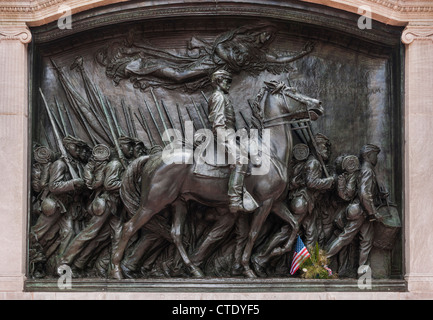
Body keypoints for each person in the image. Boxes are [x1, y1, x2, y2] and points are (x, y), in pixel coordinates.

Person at [57, 137, 136, 275]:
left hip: (114, 206)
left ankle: (108, 268)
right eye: (127, 147)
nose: (131, 150)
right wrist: (129, 183)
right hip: (105, 204)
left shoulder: (115, 164)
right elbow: (110, 184)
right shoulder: (115, 165)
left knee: (116, 235)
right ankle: (64, 262)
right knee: (89, 233)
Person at [326, 144, 385, 272]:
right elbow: (364, 193)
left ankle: (363, 274)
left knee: (366, 242)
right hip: (361, 211)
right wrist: (373, 212)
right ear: (369, 156)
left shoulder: (363, 170)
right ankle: (322, 260)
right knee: (345, 238)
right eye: (375, 155)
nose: (376, 158)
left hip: (363, 212)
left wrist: (379, 195)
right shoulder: (367, 170)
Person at [207, 69, 248, 213]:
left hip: (230, 133)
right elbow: (218, 123)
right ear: (218, 81)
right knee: (240, 159)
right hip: (222, 134)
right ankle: (235, 200)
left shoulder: (223, 97)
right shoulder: (218, 97)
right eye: (227, 81)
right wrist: (226, 141)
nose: (229, 84)